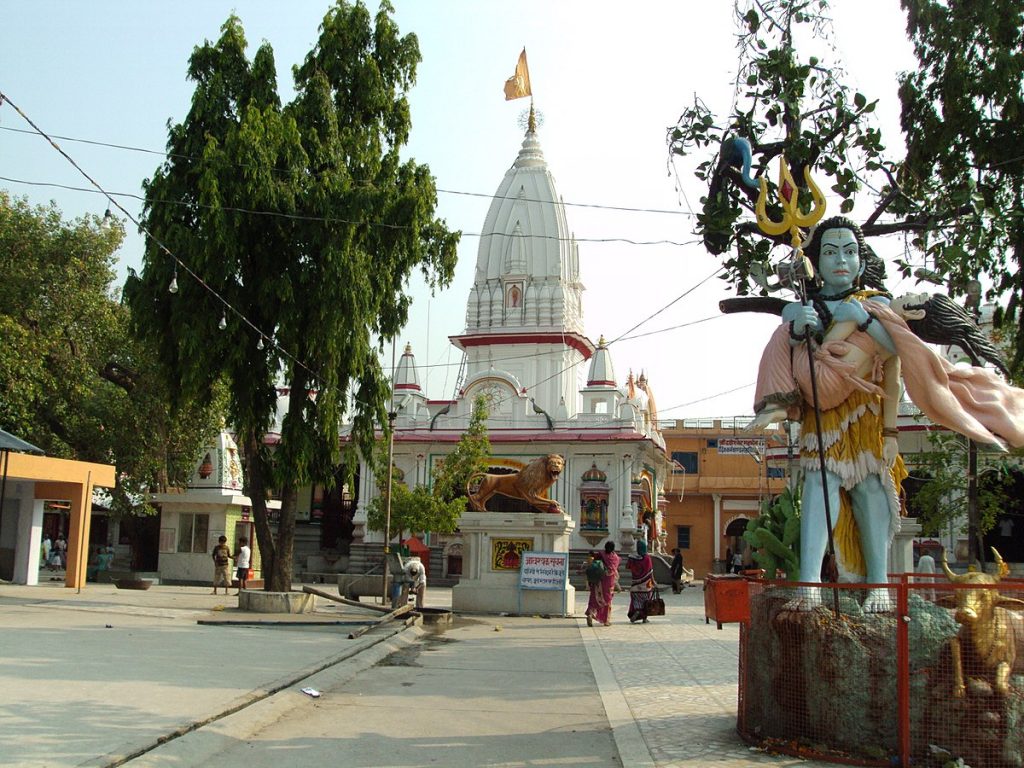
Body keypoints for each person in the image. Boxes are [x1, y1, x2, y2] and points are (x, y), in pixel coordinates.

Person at [752, 216, 1024, 611]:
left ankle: (878, 583)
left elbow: (898, 351)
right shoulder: (805, 307)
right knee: (818, 486)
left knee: (870, 491)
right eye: (829, 252)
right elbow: (793, 355)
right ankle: (809, 581)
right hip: (820, 416)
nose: (840, 261)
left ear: (862, 261)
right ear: (815, 261)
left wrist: (892, 432)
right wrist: (797, 329)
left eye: (849, 252)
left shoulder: (875, 303)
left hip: (865, 416)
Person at [626, 540, 656, 623]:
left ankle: (637, 610)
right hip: (646, 583)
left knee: (636, 599)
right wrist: (653, 581)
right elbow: (650, 571)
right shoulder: (647, 558)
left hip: (635, 583)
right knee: (647, 600)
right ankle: (644, 618)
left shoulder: (632, 558)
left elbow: (627, 566)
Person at [594, 541, 619, 627]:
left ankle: (593, 614)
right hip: (610, 582)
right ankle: (606, 620)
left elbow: (594, 562)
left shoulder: (601, 554)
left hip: (600, 580)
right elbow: (615, 569)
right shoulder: (615, 557)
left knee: (598, 597)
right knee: (608, 601)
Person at [582, 550, 606, 626]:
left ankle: (590, 613)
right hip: (599, 586)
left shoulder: (592, 563)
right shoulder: (601, 564)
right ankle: (592, 615)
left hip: (592, 584)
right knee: (599, 602)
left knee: (592, 600)